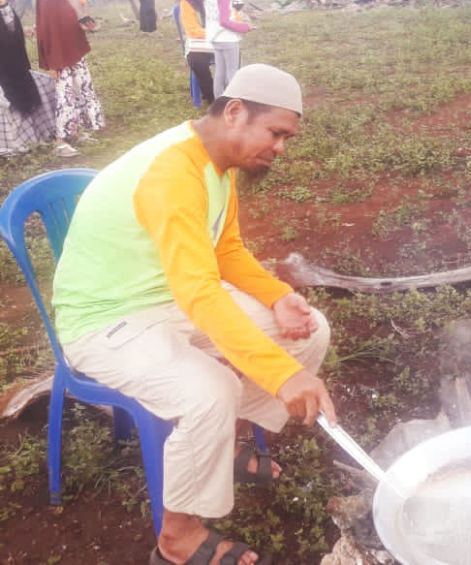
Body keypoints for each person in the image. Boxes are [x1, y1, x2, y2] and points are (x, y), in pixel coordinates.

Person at [51, 64, 337, 564]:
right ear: (234, 112)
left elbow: (224, 250)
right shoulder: (172, 172)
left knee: (309, 332)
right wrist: (281, 376)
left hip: (163, 298)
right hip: (104, 320)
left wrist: (275, 296)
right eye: (276, 133)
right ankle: (177, 537)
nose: (281, 148)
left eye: (286, 137)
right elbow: (200, 292)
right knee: (212, 390)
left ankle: (223, 446)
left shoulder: (217, 162)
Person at [35, 0, 103, 157]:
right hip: (58, 54)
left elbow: (75, 13)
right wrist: (52, 62)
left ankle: (75, 132)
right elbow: (46, 28)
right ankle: (60, 141)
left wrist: (86, 24)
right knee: (65, 97)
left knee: (82, 89)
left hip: (74, 46)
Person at [0, 0, 57, 156]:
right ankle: (22, 143)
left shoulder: (8, 10)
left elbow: (12, 29)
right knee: (10, 102)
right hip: (4, 75)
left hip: (16, 68)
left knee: (37, 89)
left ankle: (35, 137)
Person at [205, 0, 250, 98]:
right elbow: (224, 21)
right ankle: (233, 101)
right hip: (227, 38)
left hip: (215, 37)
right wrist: (245, 27)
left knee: (219, 73)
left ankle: (218, 103)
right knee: (232, 73)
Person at [180, 0, 215, 105]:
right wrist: (214, 32)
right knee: (197, 60)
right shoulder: (187, 3)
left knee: (230, 57)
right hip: (199, 42)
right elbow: (192, 30)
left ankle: (231, 93)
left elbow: (233, 18)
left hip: (221, 39)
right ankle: (212, 98)